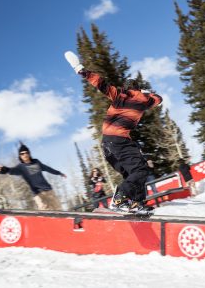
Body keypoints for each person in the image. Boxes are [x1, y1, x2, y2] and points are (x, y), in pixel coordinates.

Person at [65, 51, 162, 213]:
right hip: (120, 140)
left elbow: (100, 83)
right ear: (139, 89)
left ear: (125, 88)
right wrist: (147, 93)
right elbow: (158, 99)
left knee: (132, 173)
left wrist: (80, 69)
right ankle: (120, 198)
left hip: (107, 144)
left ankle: (136, 203)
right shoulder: (145, 100)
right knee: (140, 170)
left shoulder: (118, 95)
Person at [0, 143, 66, 210]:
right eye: (22, 154)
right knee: (46, 212)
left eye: (26, 152)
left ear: (29, 153)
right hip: (38, 194)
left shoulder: (36, 162)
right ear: (20, 156)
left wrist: (59, 173)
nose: (25, 155)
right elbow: (12, 170)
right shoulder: (21, 167)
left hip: (48, 190)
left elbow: (48, 168)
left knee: (58, 209)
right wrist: (5, 169)